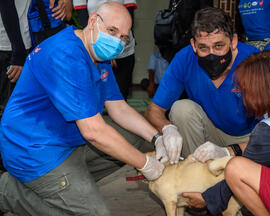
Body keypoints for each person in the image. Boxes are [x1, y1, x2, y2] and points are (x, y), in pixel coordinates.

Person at [0, 2, 165, 215]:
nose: (116, 41)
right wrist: (145, 164)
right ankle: (8, 192)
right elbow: (93, 131)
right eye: (112, 31)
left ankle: (68, 184)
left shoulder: (97, 53)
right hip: (33, 148)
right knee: (94, 213)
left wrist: (158, 137)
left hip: (65, 139)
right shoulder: (66, 55)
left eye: (123, 37)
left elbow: (118, 108)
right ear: (94, 20)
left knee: (133, 137)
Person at [182, 51, 270, 216]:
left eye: (244, 89)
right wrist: (230, 150)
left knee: (236, 168)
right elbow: (266, 149)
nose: (242, 94)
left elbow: (243, 169)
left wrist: (206, 199)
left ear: (261, 91)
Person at [145, 7, 260, 165]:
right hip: (211, 136)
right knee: (181, 109)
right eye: (203, 48)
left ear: (233, 41)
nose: (211, 54)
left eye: (219, 46)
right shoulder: (185, 59)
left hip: (251, 137)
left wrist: (231, 150)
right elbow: (154, 110)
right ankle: (196, 171)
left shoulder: (254, 61)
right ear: (193, 44)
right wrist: (167, 129)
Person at [73, 0, 137, 99]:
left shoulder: (120, 40)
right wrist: (106, 50)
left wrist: (115, 47)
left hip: (122, 48)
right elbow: (82, 14)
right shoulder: (68, 51)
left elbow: (128, 19)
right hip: (96, 42)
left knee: (120, 92)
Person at [0, 0, 32, 119]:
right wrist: (18, 54)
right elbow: (6, 3)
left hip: (14, 46)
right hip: (10, 48)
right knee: (11, 111)